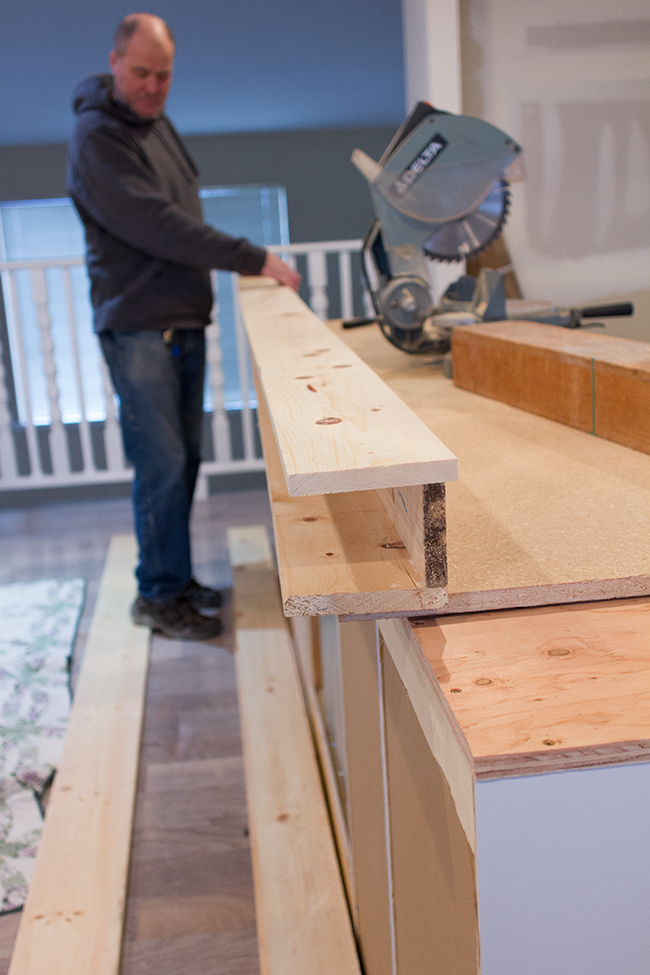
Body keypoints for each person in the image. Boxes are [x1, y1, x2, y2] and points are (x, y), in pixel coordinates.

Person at [67, 13, 300, 641]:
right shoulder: (97, 138)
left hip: (180, 320)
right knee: (162, 464)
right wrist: (252, 257)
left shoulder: (155, 123)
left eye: (164, 76)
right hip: (139, 325)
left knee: (186, 460)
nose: (153, 86)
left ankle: (172, 574)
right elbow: (158, 224)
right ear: (114, 63)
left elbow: (183, 204)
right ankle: (157, 595)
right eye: (141, 73)